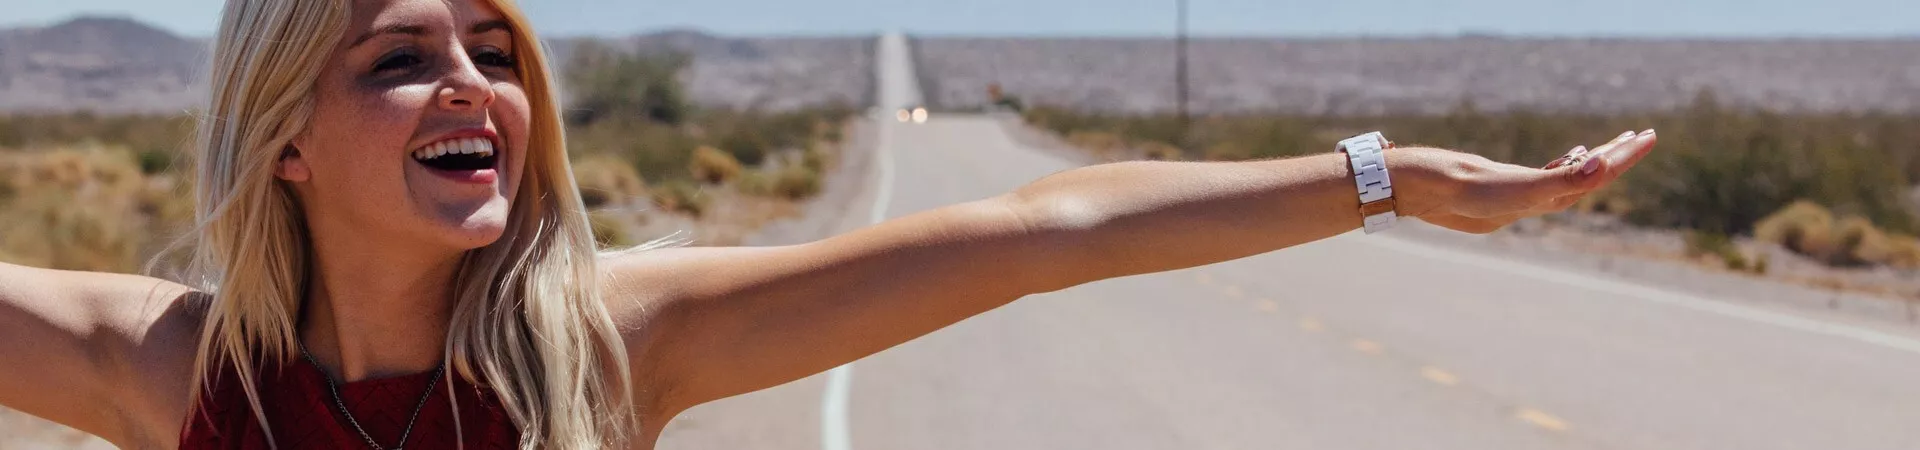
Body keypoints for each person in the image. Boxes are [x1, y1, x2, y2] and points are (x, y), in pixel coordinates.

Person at [0, 0, 1660, 448]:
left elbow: (1051, 225)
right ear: (282, 136)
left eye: (493, 51)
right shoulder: (167, 371)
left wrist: (1393, 181)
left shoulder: (607, 349)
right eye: (401, 60)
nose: (474, 85)